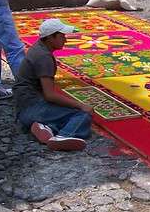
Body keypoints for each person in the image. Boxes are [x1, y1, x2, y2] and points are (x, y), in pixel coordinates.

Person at [15, 19, 93, 152]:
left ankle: (46, 127)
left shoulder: (37, 48)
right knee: (82, 115)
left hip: (23, 107)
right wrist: (80, 105)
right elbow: (50, 95)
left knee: (65, 111)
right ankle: (63, 136)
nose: (65, 40)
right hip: (34, 108)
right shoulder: (44, 57)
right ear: (51, 37)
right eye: (62, 36)